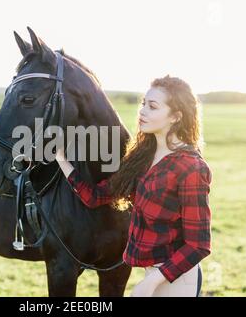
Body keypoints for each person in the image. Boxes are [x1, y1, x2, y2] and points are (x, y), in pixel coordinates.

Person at [55, 75, 212, 297]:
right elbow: (96, 196)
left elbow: (198, 245)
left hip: (178, 278)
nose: (143, 111)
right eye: (143, 104)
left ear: (176, 116)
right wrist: (61, 159)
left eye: (153, 107)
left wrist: (152, 283)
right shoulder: (143, 156)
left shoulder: (191, 167)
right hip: (153, 274)